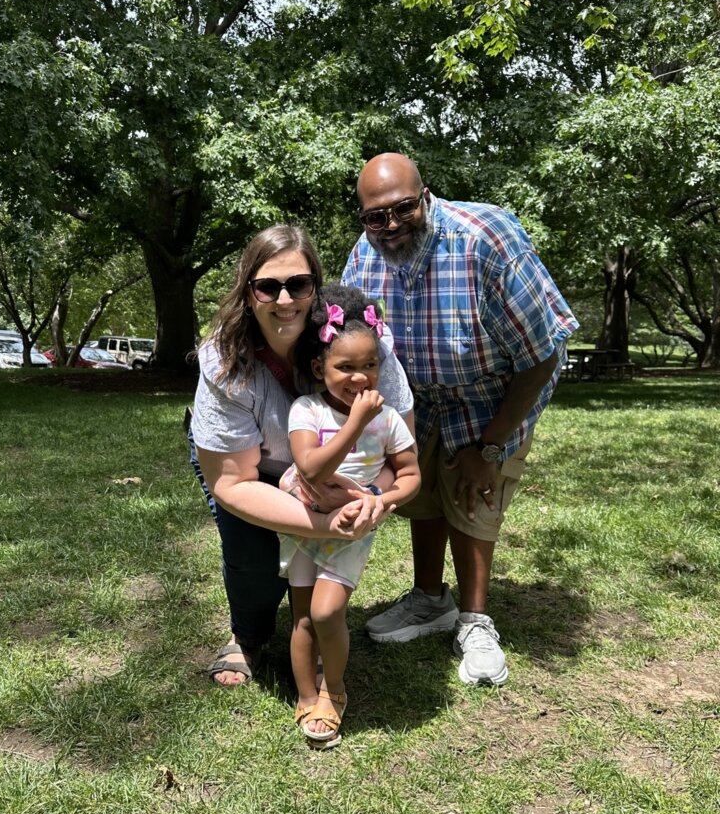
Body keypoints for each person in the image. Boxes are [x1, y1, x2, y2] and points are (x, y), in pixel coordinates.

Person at [342, 153, 579, 686]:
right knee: (422, 493)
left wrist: (491, 447)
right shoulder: (364, 253)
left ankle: (475, 620)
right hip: (417, 396)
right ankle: (430, 599)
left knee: (474, 499)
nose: (391, 225)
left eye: (404, 208)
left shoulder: (486, 239)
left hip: (492, 393)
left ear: (425, 196)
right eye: (376, 216)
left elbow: (541, 355)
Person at [190, 224, 415, 687]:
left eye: (298, 284)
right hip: (253, 469)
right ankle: (247, 635)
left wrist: (371, 497)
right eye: (267, 287)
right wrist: (324, 524)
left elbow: (401, 447)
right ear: (248, 293)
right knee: (254, 558)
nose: (284, 299)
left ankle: (312, 637)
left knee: (313, 566)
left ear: (316, 287)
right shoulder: (224, 360)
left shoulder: (361, 343)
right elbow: (232, 482)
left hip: (343, 478)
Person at [278, 284, 421, 747]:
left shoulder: (389, 419)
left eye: (370, 366)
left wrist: (383, 500)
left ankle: (333, 688)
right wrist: (356, 423)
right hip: (304, 524)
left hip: (352, 527)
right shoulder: (307, 409)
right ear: (319, 368)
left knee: (327, 611)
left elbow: (411, 475)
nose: (360, 378)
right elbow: (311, 467)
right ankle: (307, 693)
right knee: (303, 616)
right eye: (345, 367)